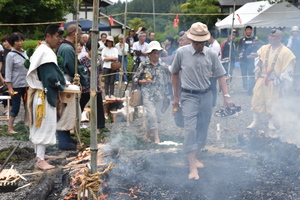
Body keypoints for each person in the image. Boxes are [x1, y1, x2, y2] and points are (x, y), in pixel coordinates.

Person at [171, 22, 233, 180]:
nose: (199, 45)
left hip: (206, 96)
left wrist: (226, 97)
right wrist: (176, 97)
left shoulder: (211, 54)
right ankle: (192, 166)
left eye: (202, 42)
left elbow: (220, 75)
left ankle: (195, 156)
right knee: (190, 129)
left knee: (203, 129)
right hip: (188, 96)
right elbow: (175, 73)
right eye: (196, 42)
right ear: (191, 40)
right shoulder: (181, 52)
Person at [26, 24, 66, 170]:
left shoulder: (43, 49)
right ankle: (40, 159)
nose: (59, 40)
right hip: (43, 93)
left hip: (38, 92)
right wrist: (62, 84)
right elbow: (51, 77)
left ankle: (39, 154)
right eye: (57, 37)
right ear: (48, 36)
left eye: (61, 37)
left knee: (38, 124)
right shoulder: (46, 52)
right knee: (43, 124)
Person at [247, 29, 295, 130]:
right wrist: (258, 64)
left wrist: (281, 80)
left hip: (274, 80)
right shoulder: (264, 48)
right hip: (263, 78)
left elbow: (288, 68)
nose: (271, 38)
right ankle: (254, 121)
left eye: (273, 37)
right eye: (270, 36)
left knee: (272, 102)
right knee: (256, 99)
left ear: (279, 38)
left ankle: (271, 123)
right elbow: (257, 59)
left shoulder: (286, 52)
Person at [133, 41, 169, 143]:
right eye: (154, 53)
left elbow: (165, 81)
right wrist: (141, 81)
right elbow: (135, 78)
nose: (156, 55)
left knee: (155, 116)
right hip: (147, 94)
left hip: (159, 94)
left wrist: (166, 95)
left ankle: (146, 136)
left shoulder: (163, 65)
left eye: (158, 53)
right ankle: (157, 137)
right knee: (152, 115)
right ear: (149, 54)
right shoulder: (143, 65)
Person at [56, 24, 83, 150]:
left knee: (67, 111)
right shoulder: (67, 48)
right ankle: (63, 141)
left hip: (65, 81)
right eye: (81, 33)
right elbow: (72, 67)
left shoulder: (65, 46)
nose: (82, 36)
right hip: (66, 82)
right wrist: (83, 75)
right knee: (67, 111)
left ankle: (66, 137)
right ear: (74, 34)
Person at [79, 39, 105, 131]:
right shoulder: (83, 60)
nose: (94, 52)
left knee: (99, 106)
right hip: (86, 86)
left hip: (96, 86)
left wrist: (101, 86)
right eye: (92, 50)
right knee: (80, 105)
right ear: (87, 49)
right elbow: (81, 72)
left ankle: (99, 126)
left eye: (96, 50)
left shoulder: (99, 59)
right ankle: (75, 123)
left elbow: (100, 73)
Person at [5, 32, 28, 133]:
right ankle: (10, 128)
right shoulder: (10, 55)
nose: (20, 43)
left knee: (28, 106)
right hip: (16, 85)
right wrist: (10, 87)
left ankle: (27, 126)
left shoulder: (26, 53)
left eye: (21, 40)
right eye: (17, 41)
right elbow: (8, 72)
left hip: (27, 84)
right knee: (16, 106)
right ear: (13, 43)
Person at [238, 26, 255, 91]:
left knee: (251, 74)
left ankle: (251, 87)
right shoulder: (242, 39)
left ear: (251, 31)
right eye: (247, 30)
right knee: (244, 74)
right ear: (245, 31)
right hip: (243, 60)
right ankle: (245, 86)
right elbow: (239, 49)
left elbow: (257, 47)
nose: (249, 31)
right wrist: (240, 58)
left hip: (251, 60)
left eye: (250, 30)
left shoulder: (254, 39)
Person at [285, 26, 300, 91]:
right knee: (289, 72)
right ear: (292, 32)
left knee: (297, 73)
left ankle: (296, 87)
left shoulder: (299, 39)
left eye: (296, 31)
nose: (295, 32)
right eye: (294, 31)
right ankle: (288, 87)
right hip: (289, 59)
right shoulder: (288, 40)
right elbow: (284, 48)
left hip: (297, 59)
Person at [208, 31, 221, 107]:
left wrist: (211, 70)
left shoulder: (216, 46)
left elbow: (213, 59)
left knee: (213, 86)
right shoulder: (211, 45)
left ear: (212, 37)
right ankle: (210, 101)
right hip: (210, 68)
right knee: (210, 86)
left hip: (213, 69)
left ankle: (213, 102)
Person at [0, 35, 12, 114]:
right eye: (3, 42)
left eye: (6, 41)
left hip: (13, 76)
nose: (4, 43)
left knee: (12, 92)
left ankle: (11, 108)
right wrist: (1, 77)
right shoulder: (2, 53)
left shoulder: (15, 51)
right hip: (4, 75)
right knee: (4, 91)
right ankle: (6, 108)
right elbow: (0, 65)